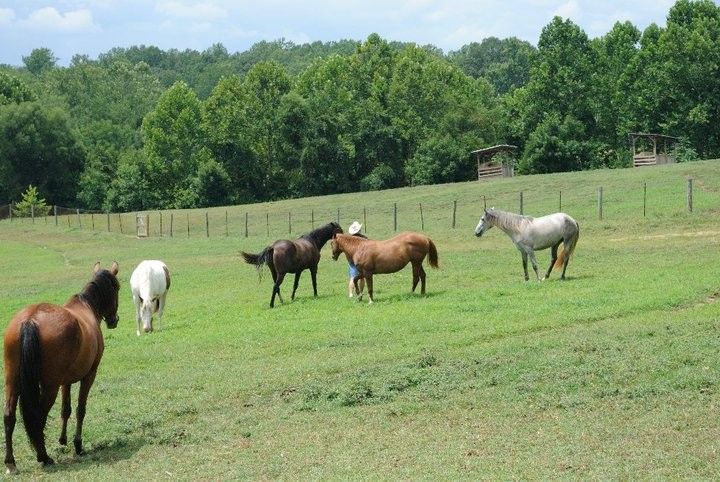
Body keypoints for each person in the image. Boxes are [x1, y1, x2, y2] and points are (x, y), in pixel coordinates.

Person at [347, 221, 367, 297]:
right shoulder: (364, 238)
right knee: (362, 278)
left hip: (352, 261)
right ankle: (360, 292)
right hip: (362, 261)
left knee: (352, 277)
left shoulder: (349, 240)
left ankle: (350, 294)